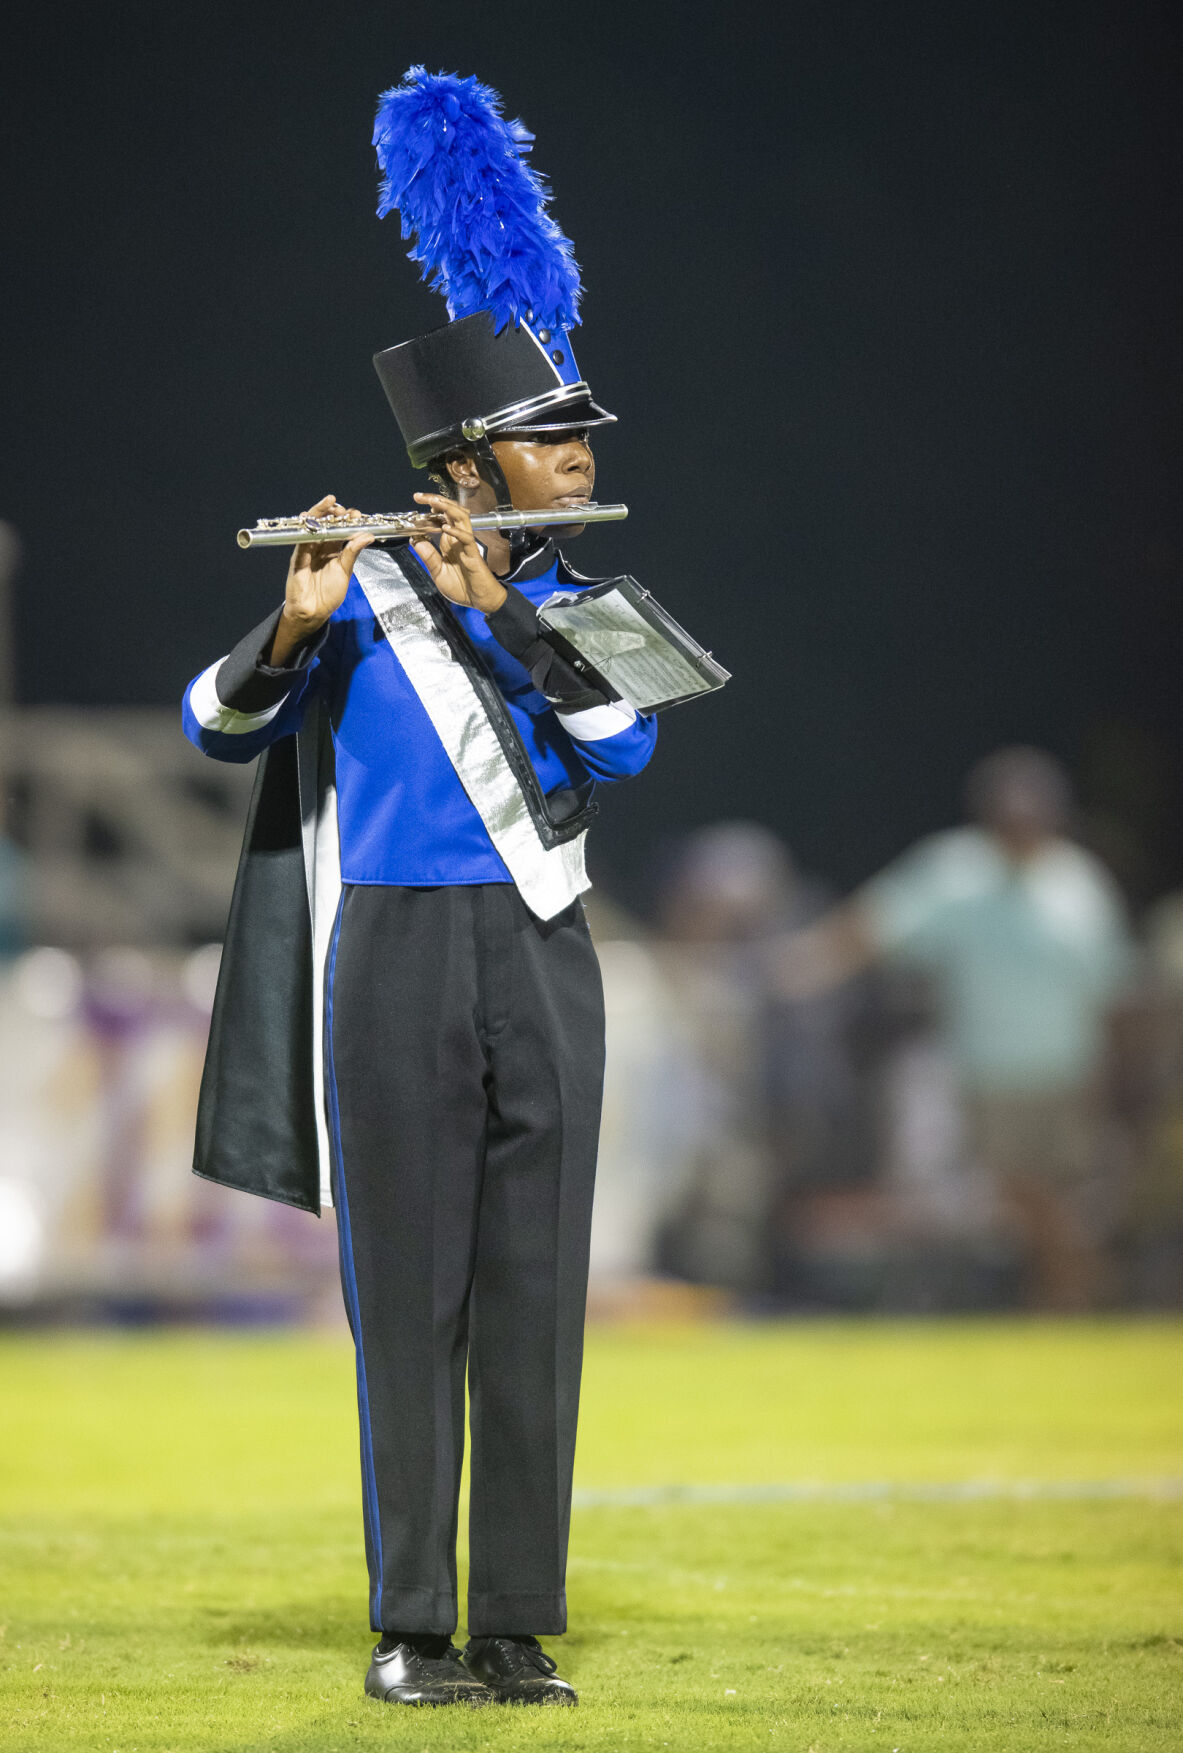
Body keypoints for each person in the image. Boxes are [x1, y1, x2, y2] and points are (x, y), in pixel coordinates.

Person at [182, 68, 659, 1708]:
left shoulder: (589, 600)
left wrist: (509, 619)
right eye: (554, 437)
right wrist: (300, 625)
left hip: (540, 951)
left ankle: (514, 1621)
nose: (583, 451)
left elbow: (624, 753)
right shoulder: (356, 586)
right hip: (388, 952)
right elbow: (212, 720)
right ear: (473, 458)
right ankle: (408, 1627)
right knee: (409, 1295)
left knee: (531, 1289)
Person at [777, 747, 1135, 1309]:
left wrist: (1115, 1085)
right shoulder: (958, 871)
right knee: (1025, 1195)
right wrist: (805, 965)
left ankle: (1068, 1301)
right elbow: (876, 922)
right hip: (990, 1075)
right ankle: (1077, 1288)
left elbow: (1112, 993)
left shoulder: (1080, 884)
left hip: (1069, 1077)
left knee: (1058, 1199)